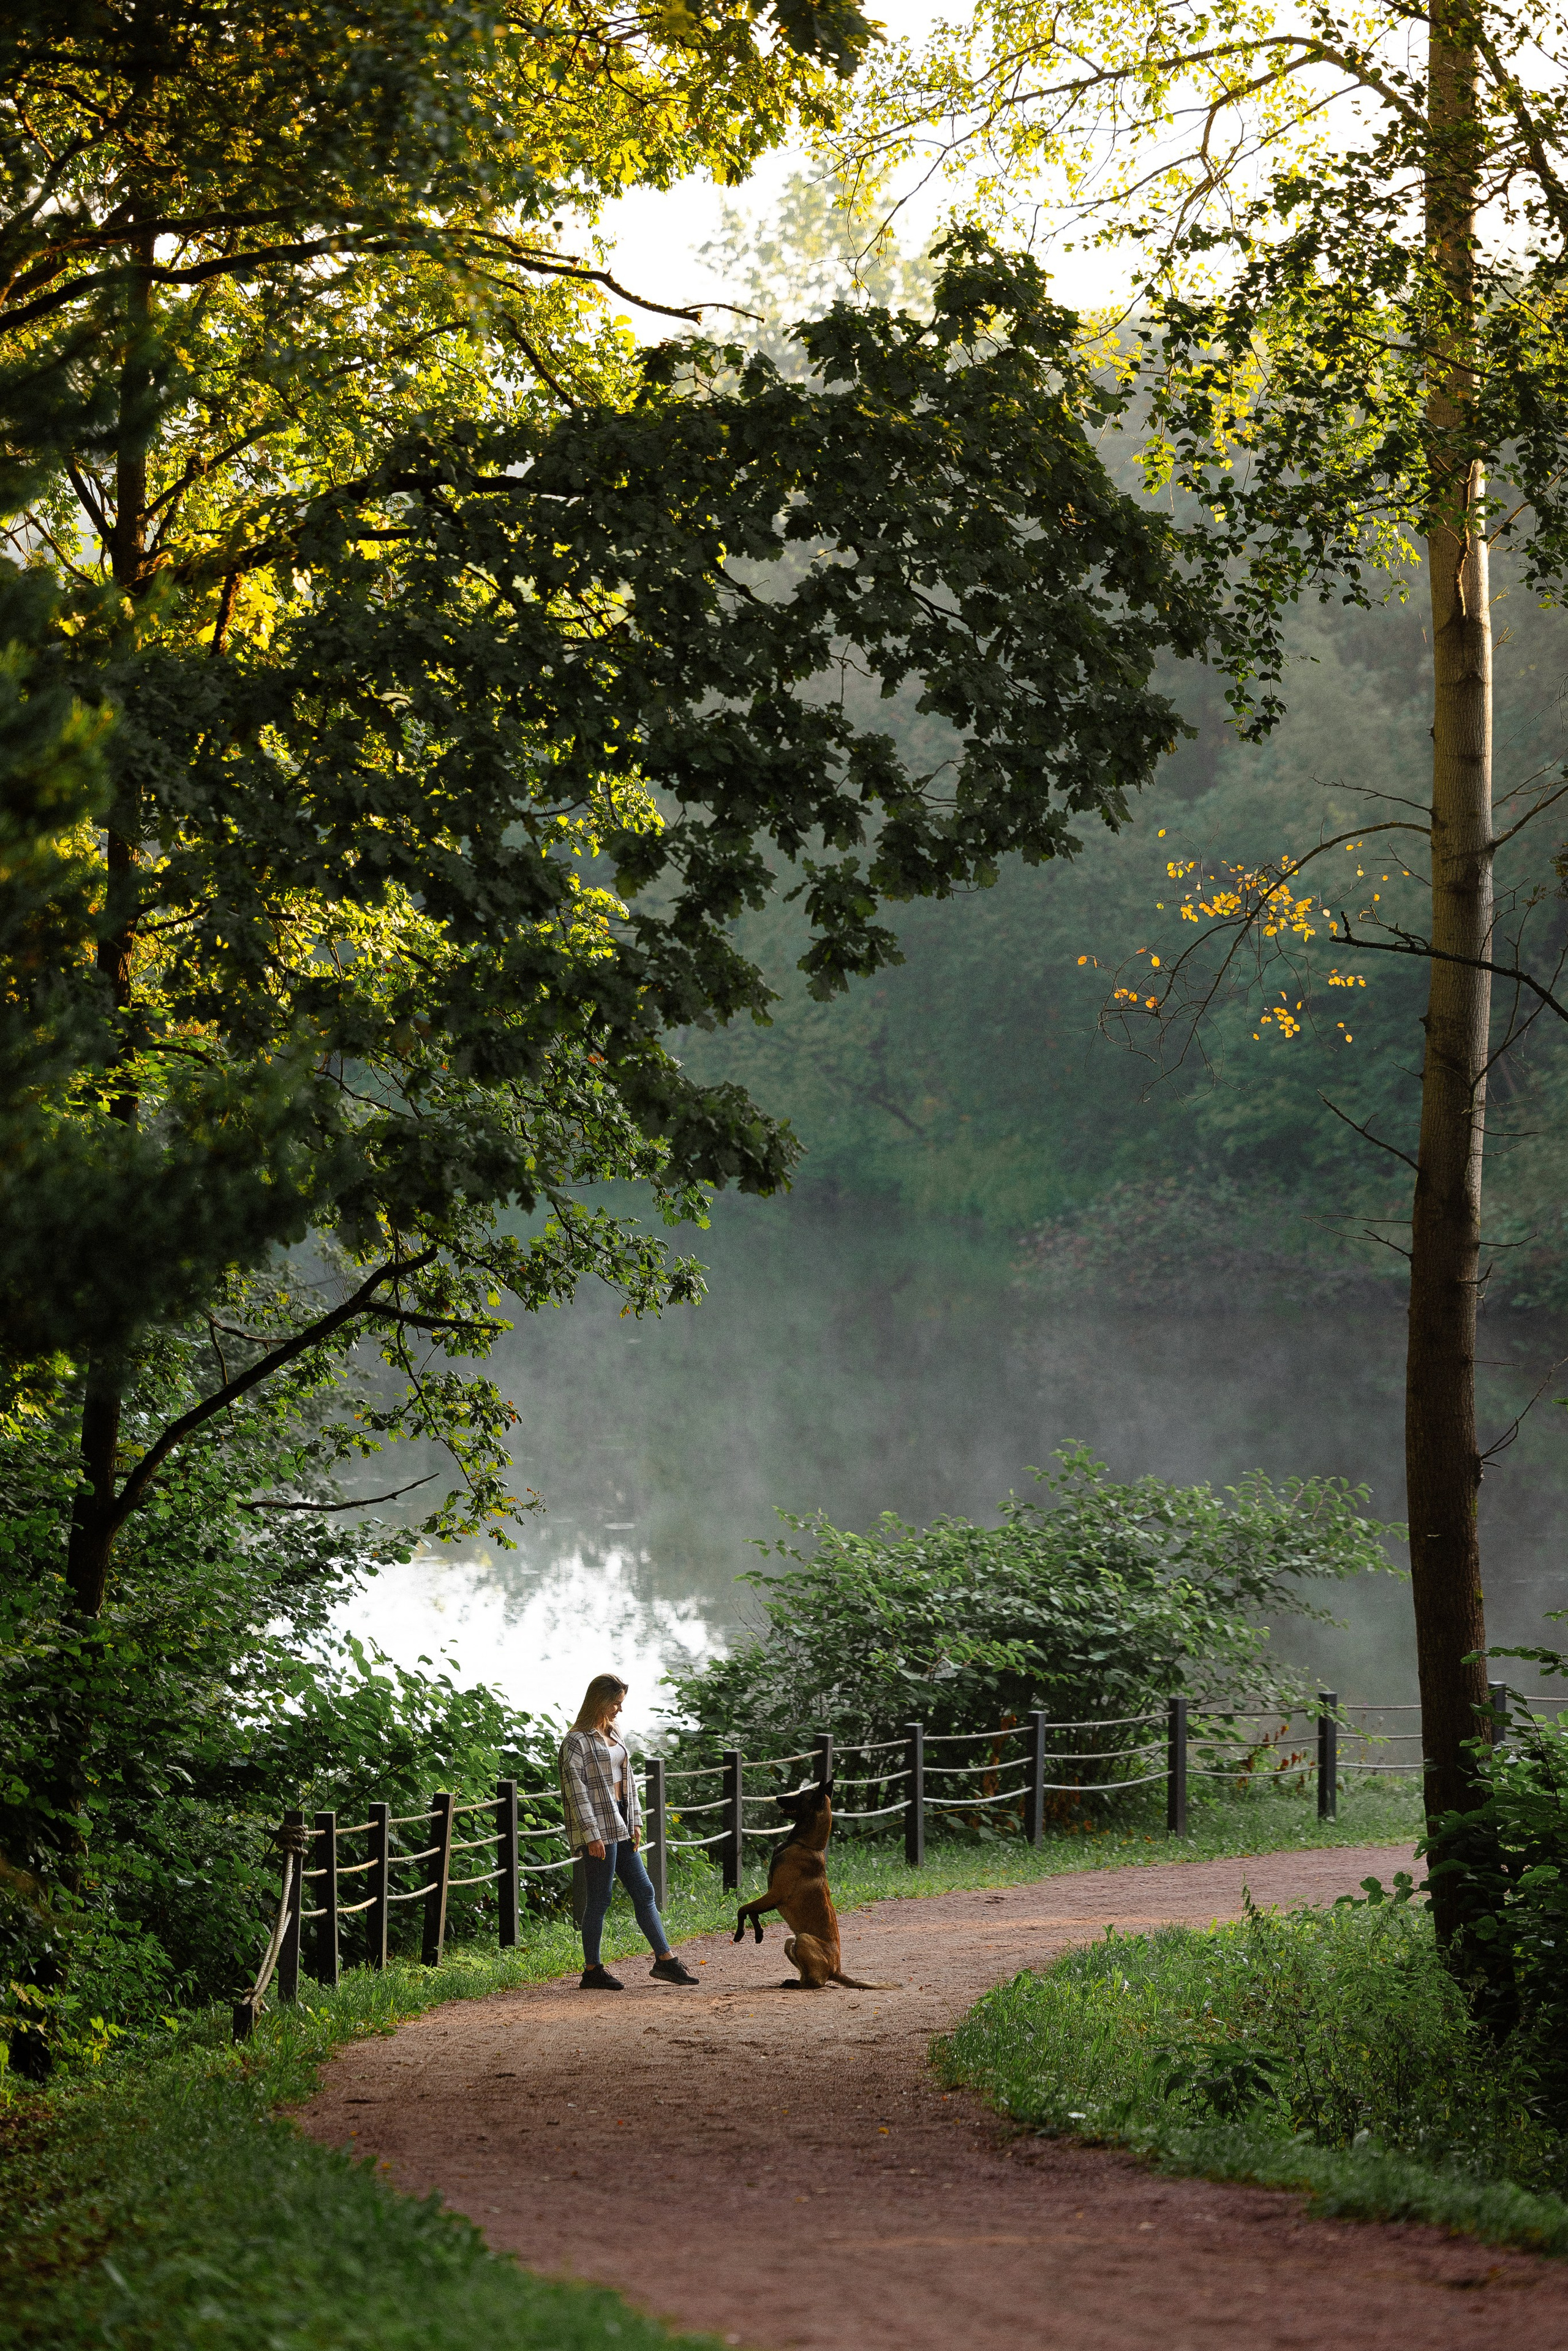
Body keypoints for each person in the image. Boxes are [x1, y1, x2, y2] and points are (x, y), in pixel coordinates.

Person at [559, 1672, 698, 1990]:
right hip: (599, 1828)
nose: (620, 1709)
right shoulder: (576, 1742)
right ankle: (592, 1970)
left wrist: (635, 1819)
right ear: (599, 1701)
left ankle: (666, 1962)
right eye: (616, 1703)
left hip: (621, 1822)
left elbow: (628, 1780)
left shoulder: (614, 1732)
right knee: (600, 1898)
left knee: (644, 1891)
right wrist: (592, 1835)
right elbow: (576, 1792)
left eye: (621, 1703)